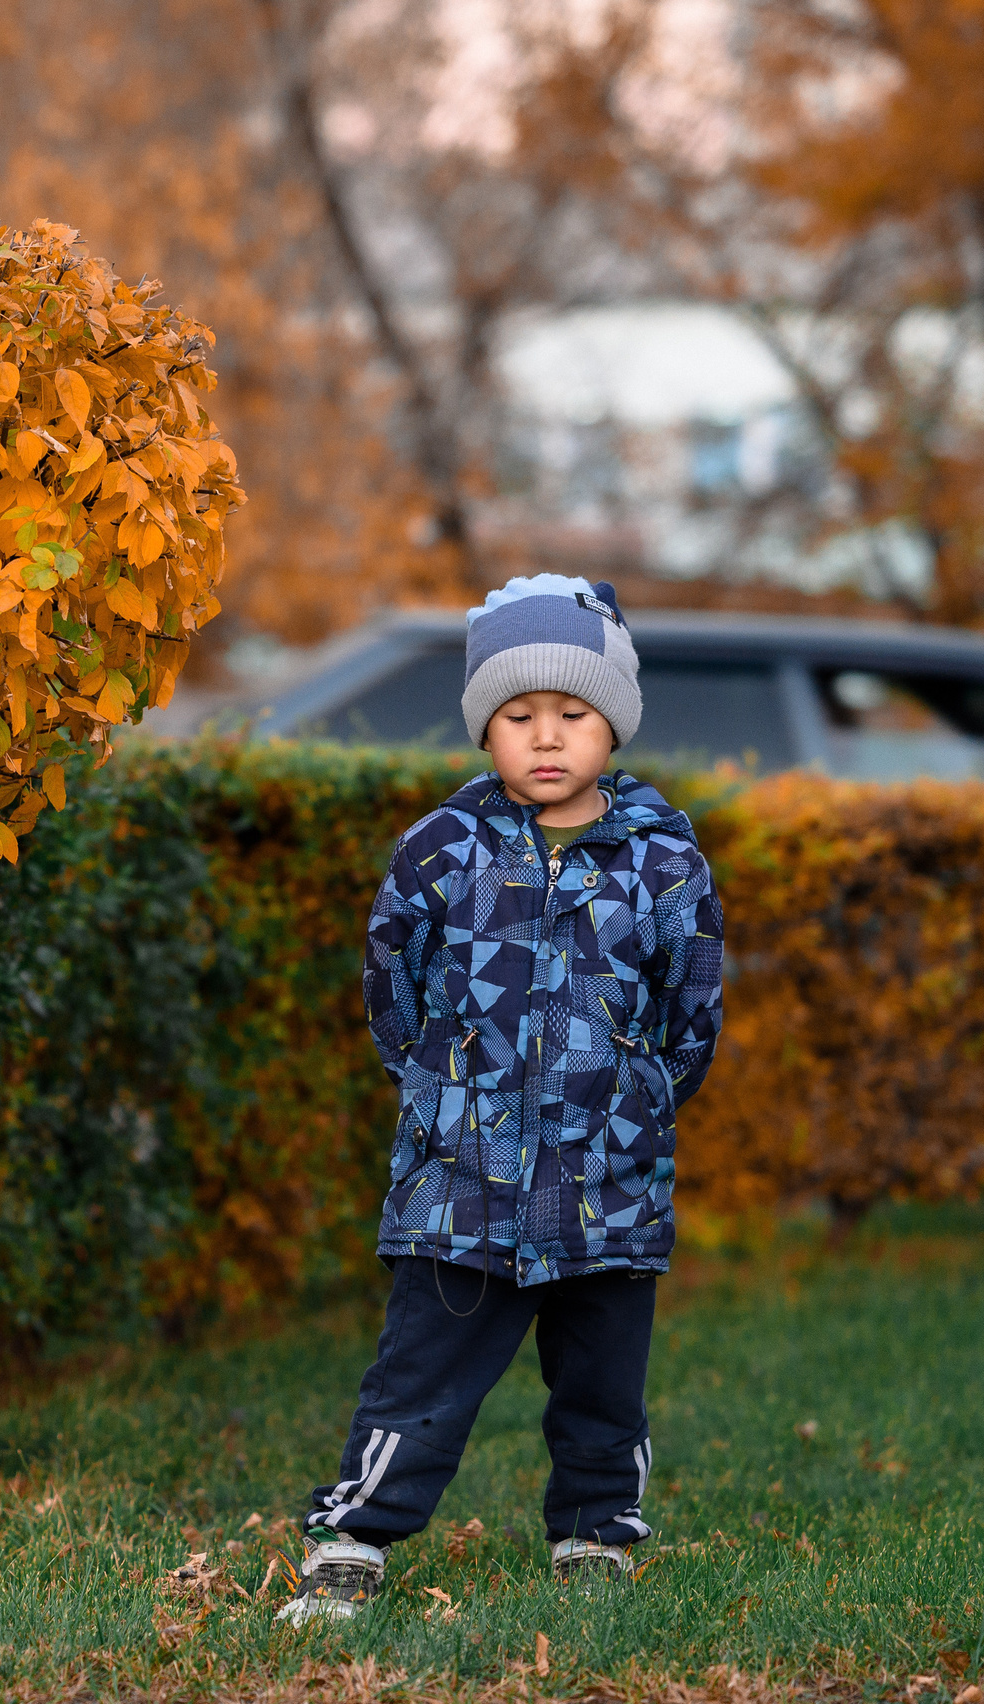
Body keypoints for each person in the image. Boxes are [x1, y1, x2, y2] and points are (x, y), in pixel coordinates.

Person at [275, 574, 727, 1625]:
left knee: (602, 1388)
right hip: (460, 1185)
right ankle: (352, 1541)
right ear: (486, 727)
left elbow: (691, 1011)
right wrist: (442, 1091)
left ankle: (596, 1535)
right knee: (418, 1380)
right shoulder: (441, 849)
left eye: (572, 713)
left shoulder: (664, 862)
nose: (547, 737)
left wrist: (637, 1103)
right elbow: (390, 987)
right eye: (519, 715)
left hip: (607, 1187)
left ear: (614, 722)